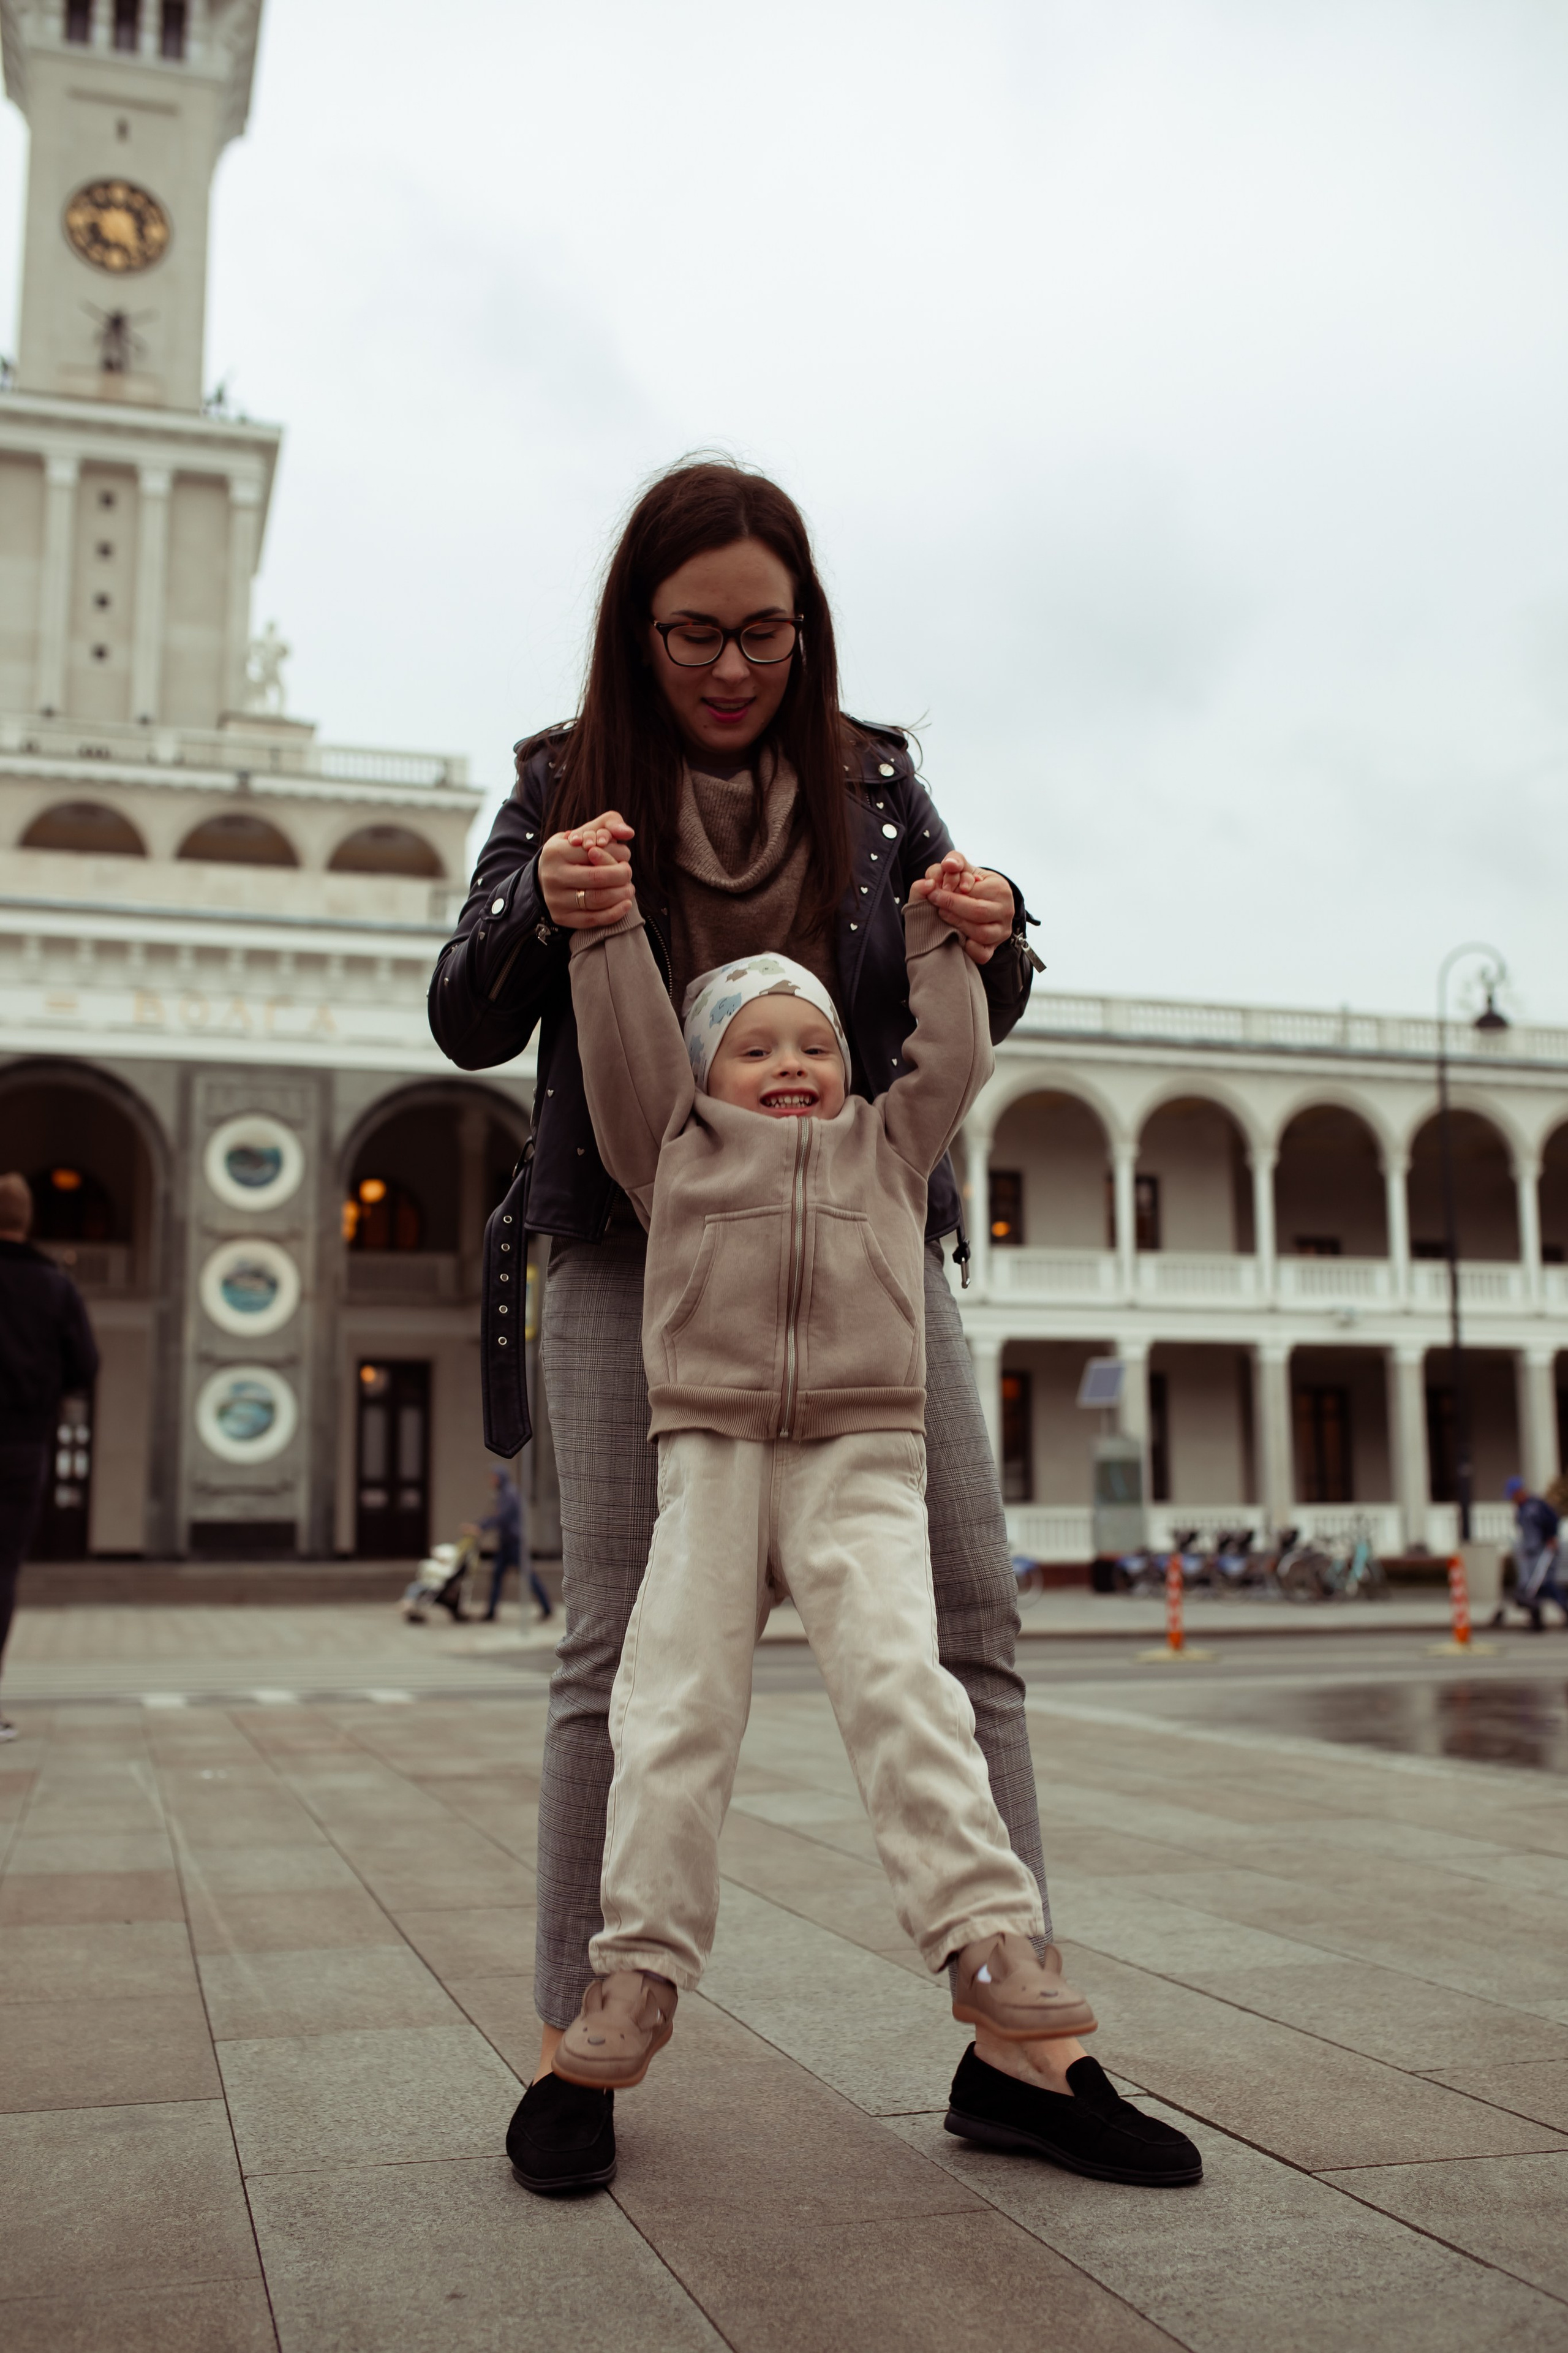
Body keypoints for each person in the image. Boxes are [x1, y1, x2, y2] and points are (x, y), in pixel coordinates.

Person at [429, 458, 1194, 2194]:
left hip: (858, 1250)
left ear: (807, 627)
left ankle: (1026, 2044)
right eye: (694, 632)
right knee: (617, 1649)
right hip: (636, 1259)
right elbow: (468, 1010)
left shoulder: (873, 778)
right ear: (641, 628)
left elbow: (969, 997)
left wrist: (995, 936)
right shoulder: (567, 779)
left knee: (973, 1624)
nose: (729, 666)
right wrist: (537, 900)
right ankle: (582, 2049)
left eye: (763, 631)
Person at [0, 1172, 99, 1739]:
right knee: (1, 1569)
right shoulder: (52, 1285)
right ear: (27, 1221)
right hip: (18, 1440)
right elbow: (85, 1364)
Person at [468, 1467, 552, 1623]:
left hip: (514, 1544)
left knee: (528, 1576)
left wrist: (481, 1527)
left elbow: (502, 1518)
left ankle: (547, 1608)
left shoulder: (509, 1494)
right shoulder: (502, 1494)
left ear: (500, 1478)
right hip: (505, 1543)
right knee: (497, 1577)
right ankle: (491, 1612)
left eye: (493, 1477)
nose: (491, 1481)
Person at [1501, 1476, 1568, 1631]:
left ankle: (1558, 1614)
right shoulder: (1522, 1509)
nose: (1512, 1499)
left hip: (1542, 1552)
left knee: (1543, 1585)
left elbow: (1553, 1519)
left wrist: (1551, 1537)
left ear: (1519, 1492)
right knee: (1533, 1588)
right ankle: (1536, 1621)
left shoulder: (1536, 1506)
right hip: (1530, 1554)